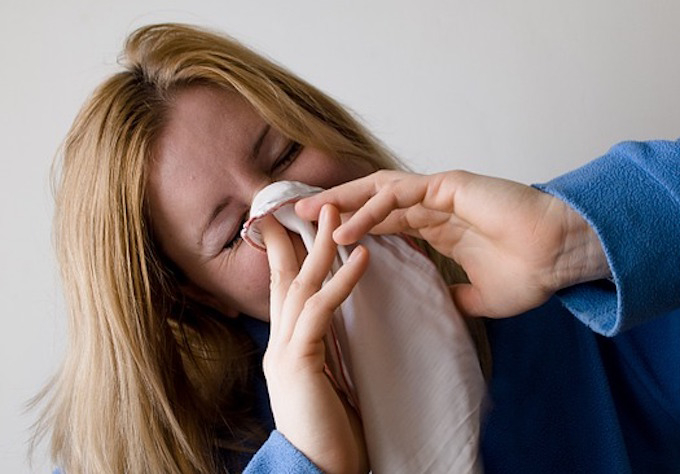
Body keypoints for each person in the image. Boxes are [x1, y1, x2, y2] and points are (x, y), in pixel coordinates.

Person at [33, 22, 680, 473]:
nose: (291, 204)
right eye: (236, 231)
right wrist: (306, 462)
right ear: (201, 293)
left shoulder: (557, 283)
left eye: (285, 153)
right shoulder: (160, 454)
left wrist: (572, 238)